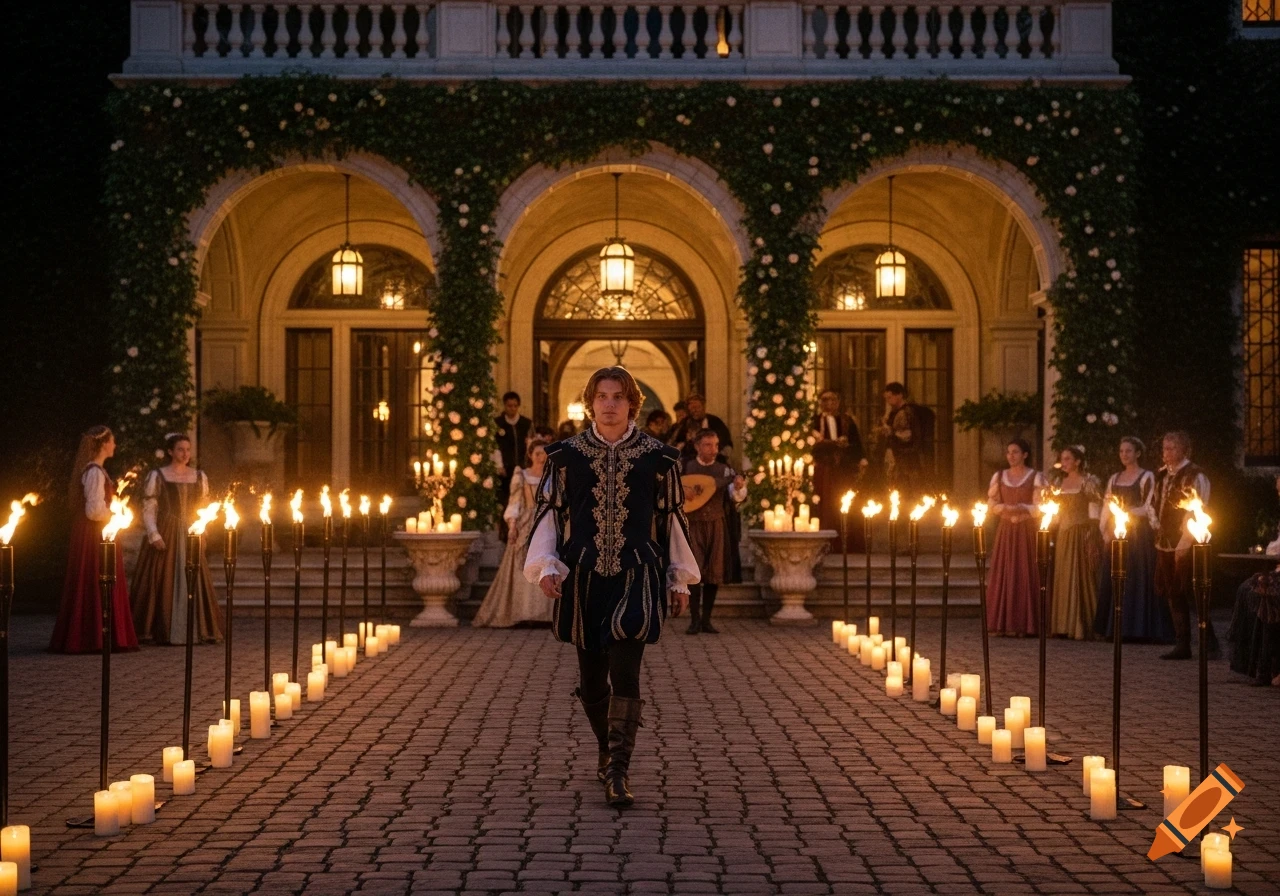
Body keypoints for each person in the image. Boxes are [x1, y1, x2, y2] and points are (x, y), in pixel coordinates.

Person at [525, 366, 699, 808]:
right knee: (590, 678)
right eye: (601, 396)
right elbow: (549, 513)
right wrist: (546, 565)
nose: (609, 404)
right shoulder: (565, 456)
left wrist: (680, 578)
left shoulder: (658, 458)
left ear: (632, 403)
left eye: (618, 396)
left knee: (625, 669)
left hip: (637, 572)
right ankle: (606, 745)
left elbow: (671, 519)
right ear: (591, 402)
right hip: (582, 575)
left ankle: (619, 768)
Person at [49, 425, 140, 654]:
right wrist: (116, 513)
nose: (115, 445)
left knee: (99, 579)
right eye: (112, 441)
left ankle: (101, 634)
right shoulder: (94, 472)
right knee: (94, 578)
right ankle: (90, 636)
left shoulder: (98, 471)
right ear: (102, 444)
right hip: (94, 536)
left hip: (97, 533)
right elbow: (93, 510)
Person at [130, 433, 224, 645]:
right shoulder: (158, 475)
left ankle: (195, 628)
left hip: (192, 530)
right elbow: (149, 507)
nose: (185, 454)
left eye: (188, 450)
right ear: (171, 452)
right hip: (168, 530)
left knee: (194, 575)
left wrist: (204, 530)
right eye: (180, 449)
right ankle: (159, 629)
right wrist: (153, 533)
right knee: (163, 578)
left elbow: (204, 507)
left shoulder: (199, 476)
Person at [1094, 437, 1173, 642]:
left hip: (1139, 535)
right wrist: (1105, 530)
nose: (1124, 455)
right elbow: (1106, 504)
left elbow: (1149, 505)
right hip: (1118, 533)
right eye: (1121, 451)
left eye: (1128, 451)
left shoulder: (1146, 476)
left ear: (1138, 453)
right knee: (1118, 577)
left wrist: (1127, 511)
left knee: (1138, 577)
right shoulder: (1114, 478)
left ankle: (1142, 629)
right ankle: (1116, 627)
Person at [472, 438, 554, 628]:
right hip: (527, 523)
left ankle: (545, 615)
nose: (541, 458)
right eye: (537, 454)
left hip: (547, 523)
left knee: (545, 563)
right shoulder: (522, 475)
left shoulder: (552, 477)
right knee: (523, 566)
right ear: (531, 456)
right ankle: (522, 612)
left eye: (544, 454)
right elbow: (514, 503)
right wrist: (512, 526)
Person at [1153, 431, 1218, 660]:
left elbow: (1198, 509)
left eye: (1171, 448)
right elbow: (1155, 502)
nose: (1166, 453)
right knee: (1172, 591)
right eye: (1164, 448)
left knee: (1191, 590)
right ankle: (1182, 643)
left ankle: (1209, 641)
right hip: (1165, 540)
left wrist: (1186, 540)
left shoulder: (1195, 475)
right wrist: (1156, 524)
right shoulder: (1162, 475)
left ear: (1183, 450)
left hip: (1186, 541)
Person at [681, 430, 746, 634]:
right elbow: (674, 491)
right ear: (698, 446)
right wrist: (684, 493)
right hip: (693, 524)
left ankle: (707, 620)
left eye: (716, 445)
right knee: (695, 572)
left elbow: (736, 498)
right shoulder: (686, 467)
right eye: (708, 445)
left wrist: (739, 487)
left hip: (717, 524)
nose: (714, 450)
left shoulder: (725, 470)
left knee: (713, 572)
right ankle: (694, 620)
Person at [985, 438, 1047, 637]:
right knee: (1006, 572)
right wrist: (1004, 508)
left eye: (1015, 452)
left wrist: (1024, 508)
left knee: (1025, 572)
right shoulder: (999, 476)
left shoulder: (1036, 477)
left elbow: (1042, 506)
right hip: (1006, 531)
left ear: (1025, 455)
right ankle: (1003, 622)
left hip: (1026, 531)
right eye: (1009, 452)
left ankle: (1025, 624)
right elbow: (991, 504)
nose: (1011, 456)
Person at [1048, 445, 1102, 640]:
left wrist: (1093, 532)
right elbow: (1055, 509)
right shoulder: (1058, 483)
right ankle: (1063, 624)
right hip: (1063, 533)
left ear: (1078, 461)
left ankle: (1083, 624)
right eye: (1063, 459)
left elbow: (1095, 506)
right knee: (1063, 575)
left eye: (1068, 459)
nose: (1064, 462)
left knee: (1081, 576)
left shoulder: (1088, 482)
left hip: (1080, 532)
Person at [809, 389, 868, 551]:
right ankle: (826, 543)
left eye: (833, 400)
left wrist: (861, 459)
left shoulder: (847, 421)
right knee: (826, 505)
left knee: (846, 503)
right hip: (824, 469)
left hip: (845, 470)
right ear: (820, 402)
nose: (829, 404)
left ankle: (848, 543)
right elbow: (811, 446)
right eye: (825, 400)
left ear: (838, 402)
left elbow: (856, 443)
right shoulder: (813, 421)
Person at [878, 382, 924, 494]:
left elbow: (907, 436)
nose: (888, 401)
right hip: (897, 455)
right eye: (886, 398)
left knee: (904, 486)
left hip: (904, 457)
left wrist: (890, 432)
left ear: (899, 395)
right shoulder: (893, 412)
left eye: (890, 397)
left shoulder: (904, 413)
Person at [668, 393, 732, 460]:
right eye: (692, 408)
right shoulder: (684, 423)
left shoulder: (715, 421)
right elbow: (674, 442)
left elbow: (725, 442)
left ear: (703, 407)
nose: (695, 410)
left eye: (697, 407)